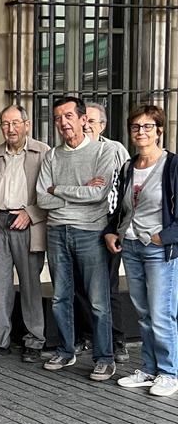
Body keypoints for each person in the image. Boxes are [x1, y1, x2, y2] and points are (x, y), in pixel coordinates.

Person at [36, 96, 119, 381]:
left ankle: (104, 357)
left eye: (69, 116)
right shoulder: (52, 155)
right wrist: (76, 191)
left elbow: (99, 194)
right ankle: (66, 350)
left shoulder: (102, 152)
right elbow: (42, 198)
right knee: (60, 297)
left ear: (84, 119)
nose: (63, 122)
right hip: (57, 231)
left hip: (91, 232)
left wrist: (59, 188)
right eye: (58, 117)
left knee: (98, 300)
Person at [105, 104, 178, 397]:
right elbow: (116, 206)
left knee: (162, 314)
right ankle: (149, 369)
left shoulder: (172, 166)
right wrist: (111, 231)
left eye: (148, 126)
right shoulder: (127, 167)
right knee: (144, 313)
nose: (141, 132)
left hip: (159, 249)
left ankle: (170, 373)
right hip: (132, 247)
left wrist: (164, 237)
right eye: (136, 127)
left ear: (159, 130)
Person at [0, 105, 49, 362]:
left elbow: (51, 194)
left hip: (27, 223)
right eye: (5, 124)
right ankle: (0, 340)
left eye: (16, 123)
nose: (11, 129)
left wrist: (31, 214)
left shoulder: (42, 153)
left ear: (27, 125)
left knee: (31, 285)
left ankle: (34, 341)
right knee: (0, 286)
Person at [74, 102, 132, 362]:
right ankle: (88, 336)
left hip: (108, 225)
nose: (86, 126)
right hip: (82, 224)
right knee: (81, 286)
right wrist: (84, 185)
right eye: (84, 121)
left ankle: (117, 340)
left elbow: (125, 185)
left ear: (103, 125)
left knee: (107, 286)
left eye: (92, 122)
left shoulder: (116, 150)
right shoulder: (73, 151)